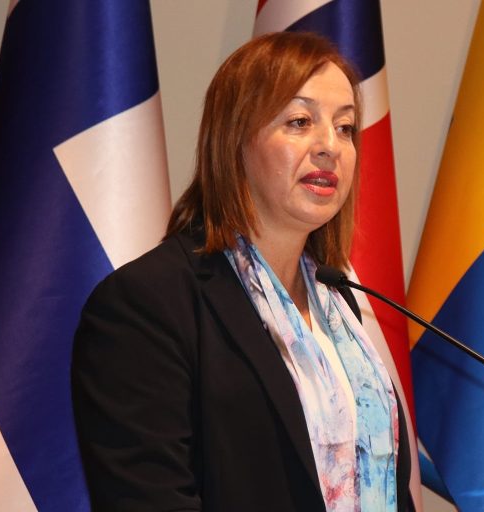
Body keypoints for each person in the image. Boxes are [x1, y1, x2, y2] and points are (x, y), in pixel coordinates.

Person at [71, 32, 414, 511]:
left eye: (345, 128)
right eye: (299, 121)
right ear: (235, 141)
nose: (329, 147)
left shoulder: (337, 305)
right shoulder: (146, 305)